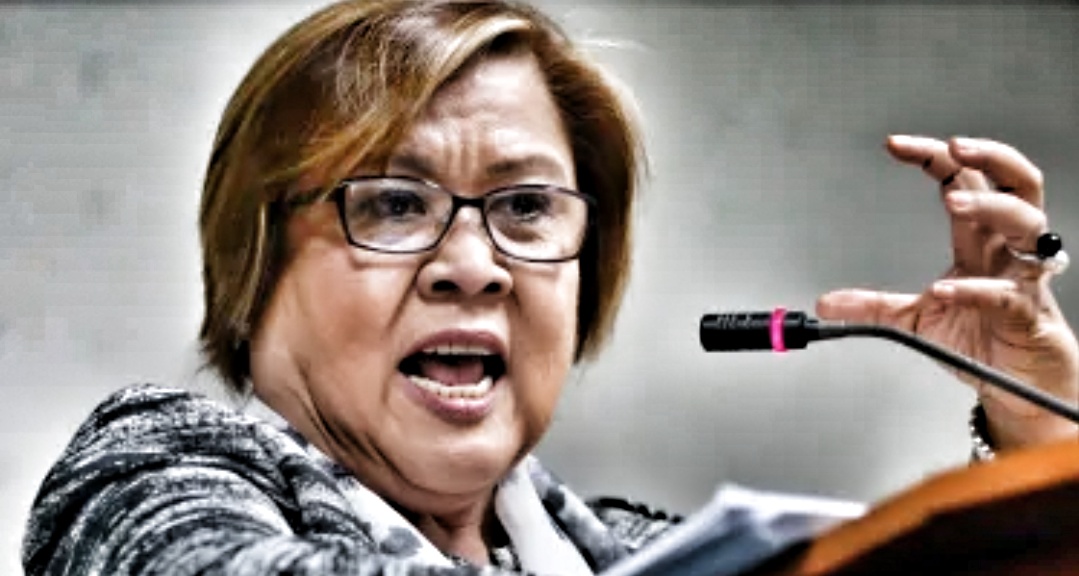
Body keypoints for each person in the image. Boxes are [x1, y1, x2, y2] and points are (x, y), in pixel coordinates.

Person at [22, 0, 1078, 574]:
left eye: (526, 207)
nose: (474, 265)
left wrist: (1034, 434)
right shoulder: (143, 476)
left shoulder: (634, 551)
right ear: (256, 263)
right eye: (391, 204)